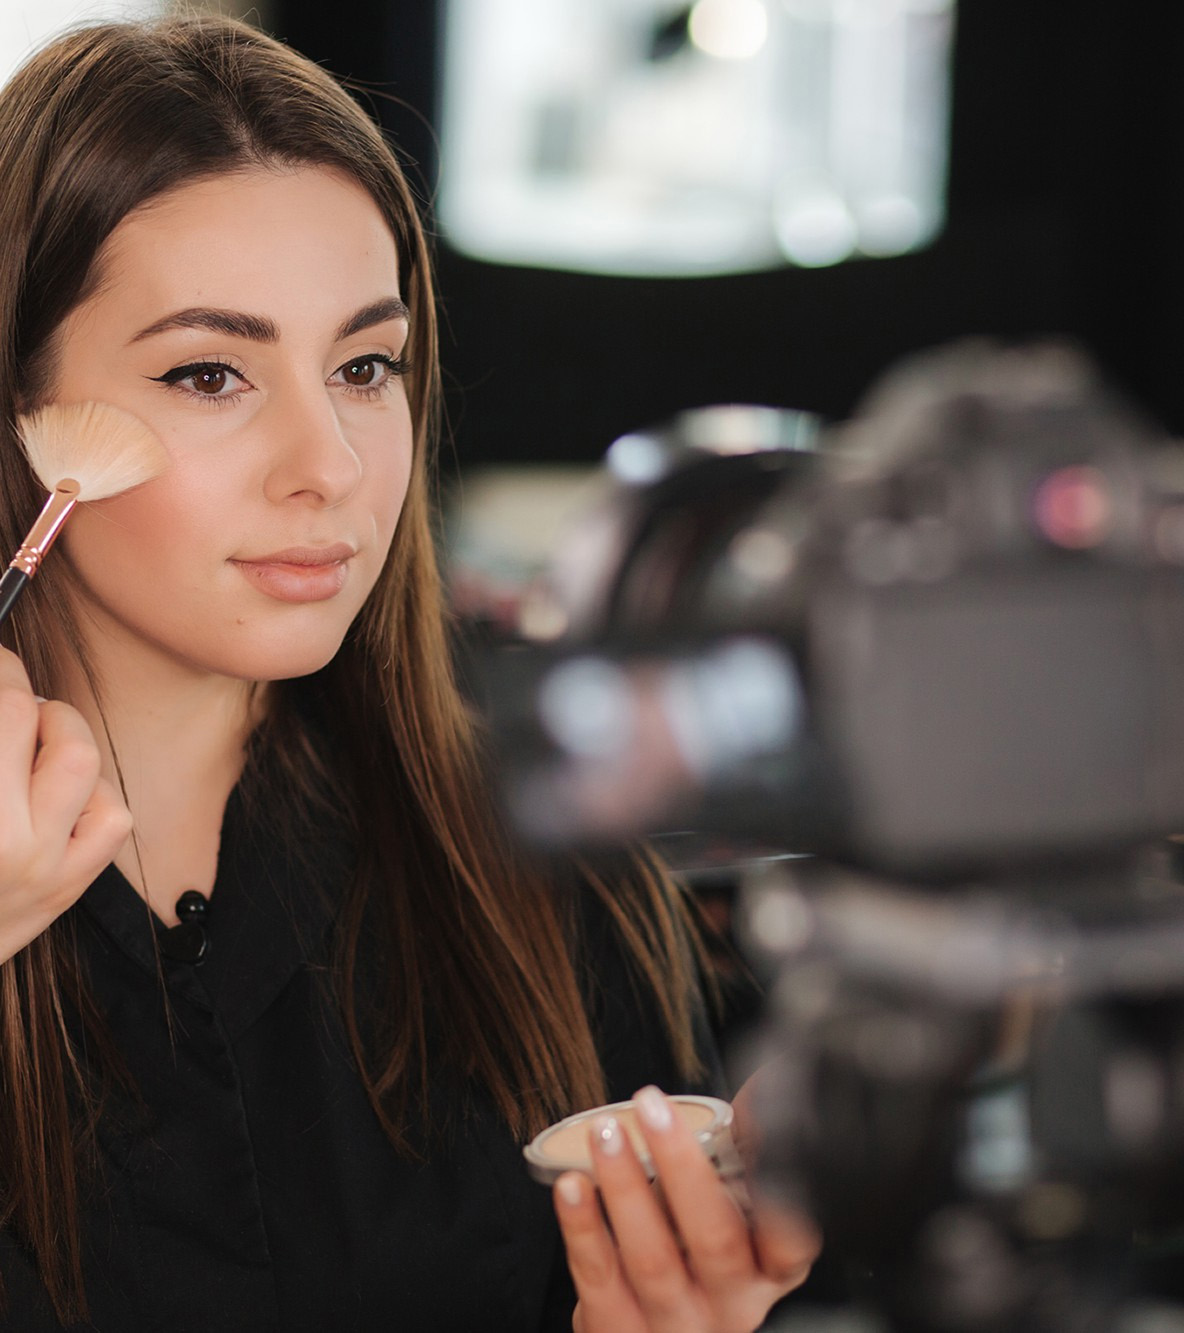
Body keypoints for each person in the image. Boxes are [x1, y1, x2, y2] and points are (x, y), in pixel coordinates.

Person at [0, 13, 818, 1332]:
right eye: (209, 374)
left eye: (365, 366)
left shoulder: (550, 870)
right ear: (20, 417)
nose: (330, 464)